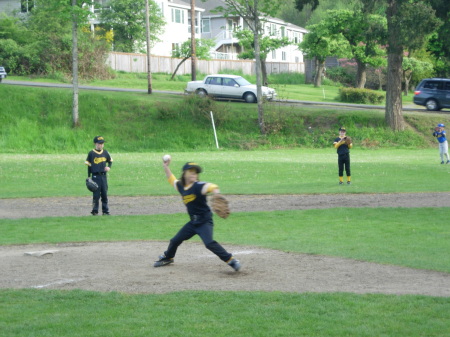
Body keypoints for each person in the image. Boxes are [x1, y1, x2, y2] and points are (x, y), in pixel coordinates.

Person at [154, 158, 241, 271]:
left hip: (204, 221)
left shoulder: (198, 186)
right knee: (175, 240)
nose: (193, 174)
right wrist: (166, 166)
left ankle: (231, 260)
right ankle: (168, 257)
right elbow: (171, 179)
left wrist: (216, 194)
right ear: (184, 173)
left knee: (209, 243)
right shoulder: (181, 186)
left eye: (195, 172)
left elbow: (211, 186)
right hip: (193, 222)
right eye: (191, 171)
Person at [85, 136, 113, 215]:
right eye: (99, 143)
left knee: (104, 194)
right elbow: (89, 166)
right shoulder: (91, 153)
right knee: (96, 195)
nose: (101, 145)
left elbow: (110, 161)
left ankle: (105, 211)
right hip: (95, 176)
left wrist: (109, 167)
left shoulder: (105, 152)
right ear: (95, 144)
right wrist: (88, 177)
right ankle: (95, 211)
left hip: (103, 176)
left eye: (102, 143)